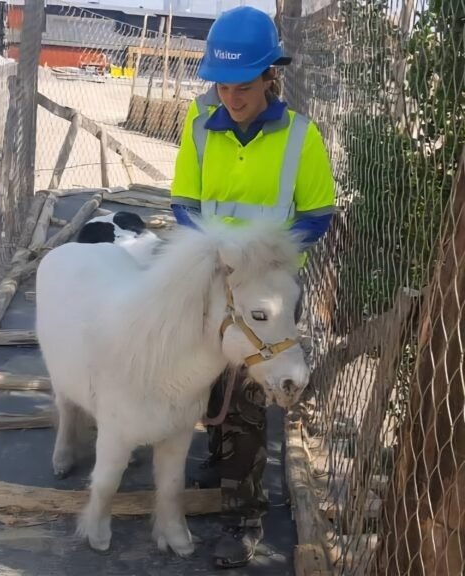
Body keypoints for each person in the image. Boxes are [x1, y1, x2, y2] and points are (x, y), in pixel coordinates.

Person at [169, 5, 336, 569]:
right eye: (222, 83)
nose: (231, 96)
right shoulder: (199, 124)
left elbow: (316, 214)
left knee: (248, 391)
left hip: (264, 285)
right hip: (212, 276)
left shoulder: (300, 138)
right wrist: (210, 252)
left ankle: (244, 511)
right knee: (208, 377)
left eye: (242, 85)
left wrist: (267, 256)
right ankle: (217, 459)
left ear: (270, 75)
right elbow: (184, 204)